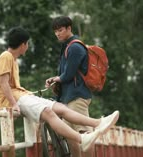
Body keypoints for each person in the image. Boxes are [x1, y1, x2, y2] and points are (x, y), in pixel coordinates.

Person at [0, 26, 119, 153]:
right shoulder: (6, 56)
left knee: (60, 108)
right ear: (23, 44)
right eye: (28, 43)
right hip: (14, 99)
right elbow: (4, 84)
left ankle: (98, 123)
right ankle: (82, 138)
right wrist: (14, 105)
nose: (28, 46)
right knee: (48, 113)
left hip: (21, 95)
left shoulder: (13, 59)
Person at [45, 16, 99, 157]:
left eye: (60, 30)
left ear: (69, 28)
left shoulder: (75, 47)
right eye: (55, 31)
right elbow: (65, 74)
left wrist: (56, 79)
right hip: (69, 98)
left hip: (77, 97)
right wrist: (56, 80)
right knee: (71, 136)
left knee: (85, 134)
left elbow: (68, 74)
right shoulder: (67, 46)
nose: (57, 34)